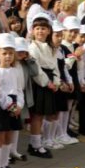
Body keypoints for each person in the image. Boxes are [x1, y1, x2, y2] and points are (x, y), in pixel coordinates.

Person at [0, 33, 23, 168]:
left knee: (9, 137)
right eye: (4, 53)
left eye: (10, 53)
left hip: (14, 105)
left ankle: (4, 165)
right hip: (2, 107)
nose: (8, 56)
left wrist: (19, 105)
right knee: (0, 138)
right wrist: (11, 106)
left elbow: (19, 89)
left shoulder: (15, 71)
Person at [27, 14, 59, 159]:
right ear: (33, 31)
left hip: (50, 81)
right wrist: (48, 83)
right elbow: (36, 70)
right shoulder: (32, 48)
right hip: (40, 84)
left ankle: (39, 142)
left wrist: (57, 82)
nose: (40, 31)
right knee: (37, 115)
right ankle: (35, 145)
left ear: (49, 31)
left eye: (44, 29)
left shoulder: (51, 48)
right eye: (38, 28)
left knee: (45, 114)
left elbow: (55, 66)